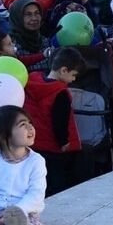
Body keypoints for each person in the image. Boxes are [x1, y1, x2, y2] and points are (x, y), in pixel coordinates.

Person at [23, 47, 83, 195]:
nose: (74, 79)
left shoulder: (32, 81)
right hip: (52, 146)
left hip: (33, 142)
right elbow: (59, 121)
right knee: (57, 183)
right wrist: (64, 142)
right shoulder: (60, 92)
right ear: (64, 70)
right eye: (73, 75)